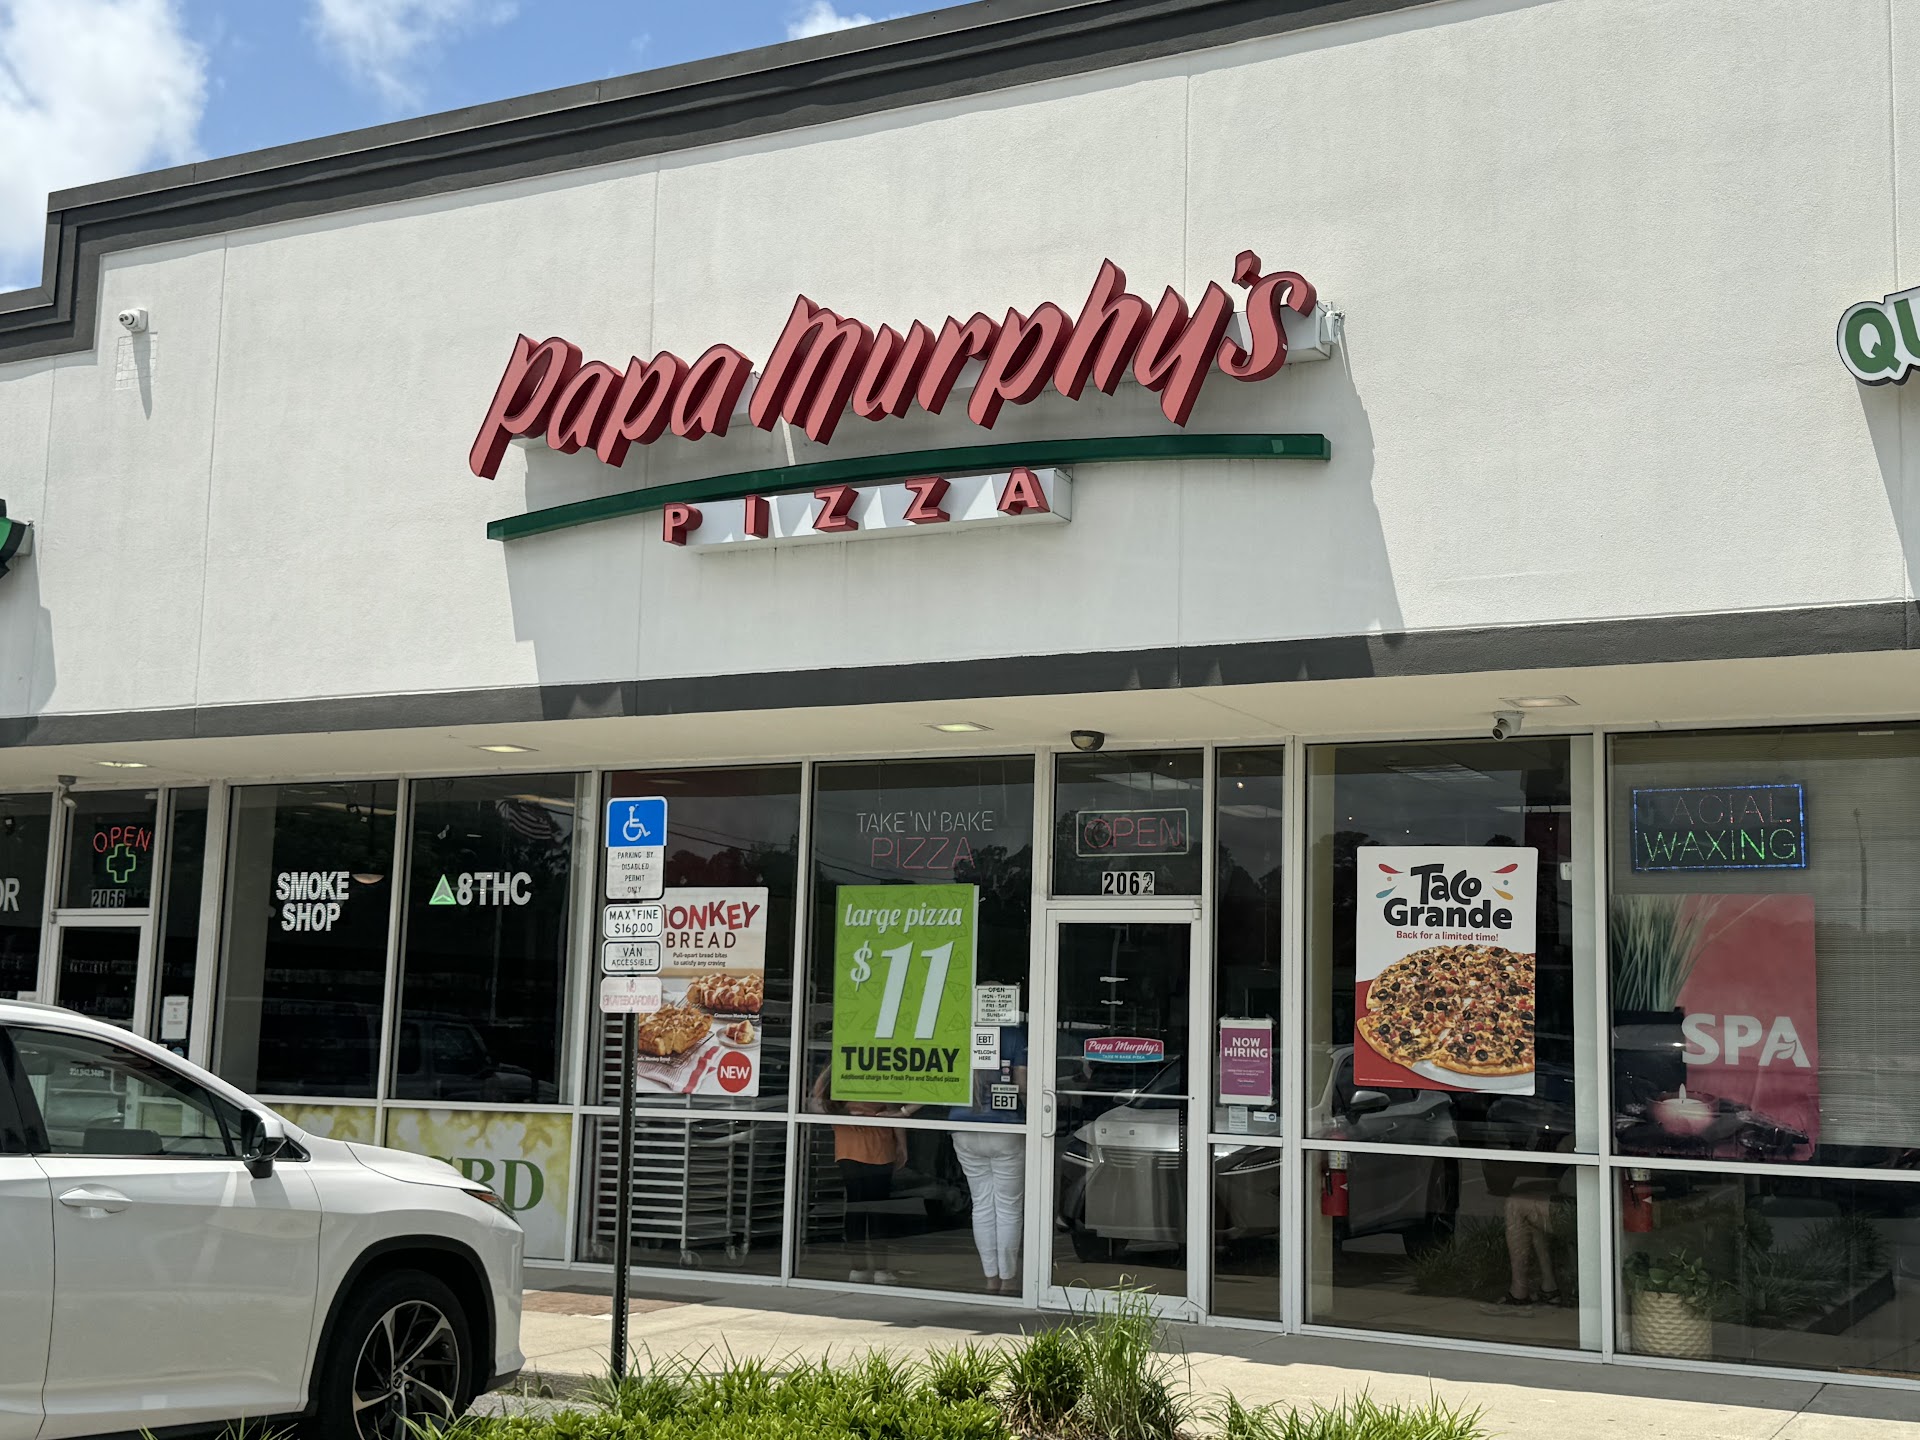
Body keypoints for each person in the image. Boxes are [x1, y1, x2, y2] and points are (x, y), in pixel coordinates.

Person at [948, 1024, 1028, 1294]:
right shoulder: (1014, 1035)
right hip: (1004, 1127)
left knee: (981, 1204)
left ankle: (990, 1278)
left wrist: (905, 1110)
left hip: (962, 1126)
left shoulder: (958, 1032)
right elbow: (1022, 1084)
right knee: (1008, 1207)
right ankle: (1008, 1280)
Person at [811, 1069, 907, 1283]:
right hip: (878, 1145)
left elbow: (816, 1103)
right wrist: (902, 1144)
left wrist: (844, 1115)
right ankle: (881, 1270)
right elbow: (894, 1110)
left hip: (847, 1144)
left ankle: (857, 1268)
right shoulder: (879, 1069)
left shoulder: (832, 1073)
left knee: (855, 1205)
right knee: (878, 1208)